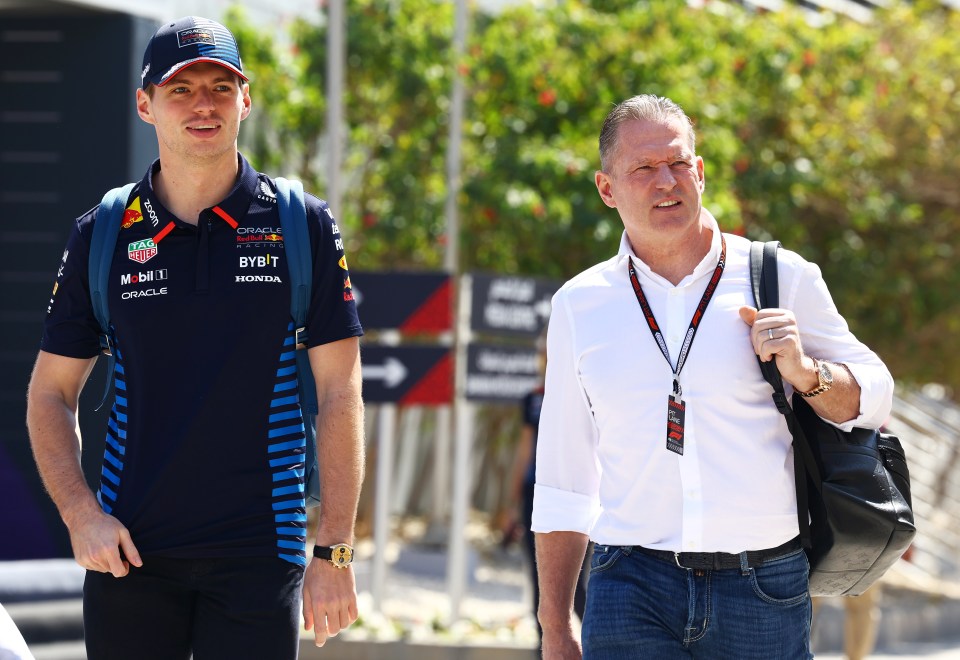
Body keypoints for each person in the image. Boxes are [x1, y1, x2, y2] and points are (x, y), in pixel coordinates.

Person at [25, 17, 364, 660]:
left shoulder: (301, 223)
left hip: (261, 556)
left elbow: (340, 392)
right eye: (180, 89)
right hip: (130, 555)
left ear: (245, 99)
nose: (202, 104)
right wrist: (80, 514)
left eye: (219, 86)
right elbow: (50, 394)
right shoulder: (104, 231)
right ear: (145, 105)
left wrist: (335, 550)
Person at [531, 94, 894, 659]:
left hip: (763, 587)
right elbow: (563, 479)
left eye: (678, 164)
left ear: (700, 172)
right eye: (643, 169)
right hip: (630, 583)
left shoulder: (779, 277)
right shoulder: (580, 305)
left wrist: (806, 372)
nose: (666, 182)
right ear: (607, 189)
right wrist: (555, 625)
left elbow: (875, 395)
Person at [503, 331, 590, 641]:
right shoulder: (535, 399)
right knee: (540, 578)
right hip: (537, 495)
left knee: (579, 582)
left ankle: (600, 644)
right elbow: (525, 451)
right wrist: (512, 505)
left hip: (582, 497)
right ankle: (546, 647)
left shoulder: (589, 390)